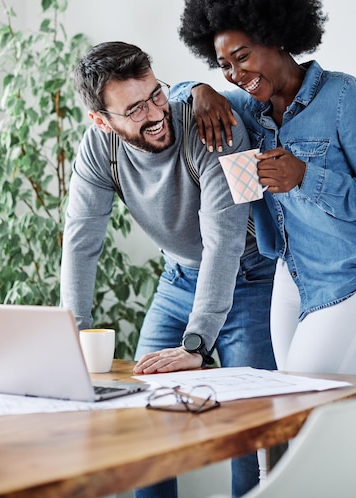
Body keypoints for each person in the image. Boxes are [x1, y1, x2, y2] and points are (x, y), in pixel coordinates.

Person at [60, 41, 277, 498]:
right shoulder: (100, 150)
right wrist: (70, 339)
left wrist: (197, 342)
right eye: (135, 108)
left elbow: (224, 239)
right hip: (178, 279)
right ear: (102, 121)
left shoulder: (213, 127)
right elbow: (81, 243)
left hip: (248, 277)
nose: (155, 112)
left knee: (249, 431)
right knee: (148, 420)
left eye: (156, 93)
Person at [174, 0, 356, 374]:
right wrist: (198, 89)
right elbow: (169, 95)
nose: (234, 74)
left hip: (347, 277)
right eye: (223, 66)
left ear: (276, 36)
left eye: (241, 57)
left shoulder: (343, 96)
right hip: (288, 276)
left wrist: (306, 177)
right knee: (290, 408)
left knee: (304, 405)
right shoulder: (245, 109)